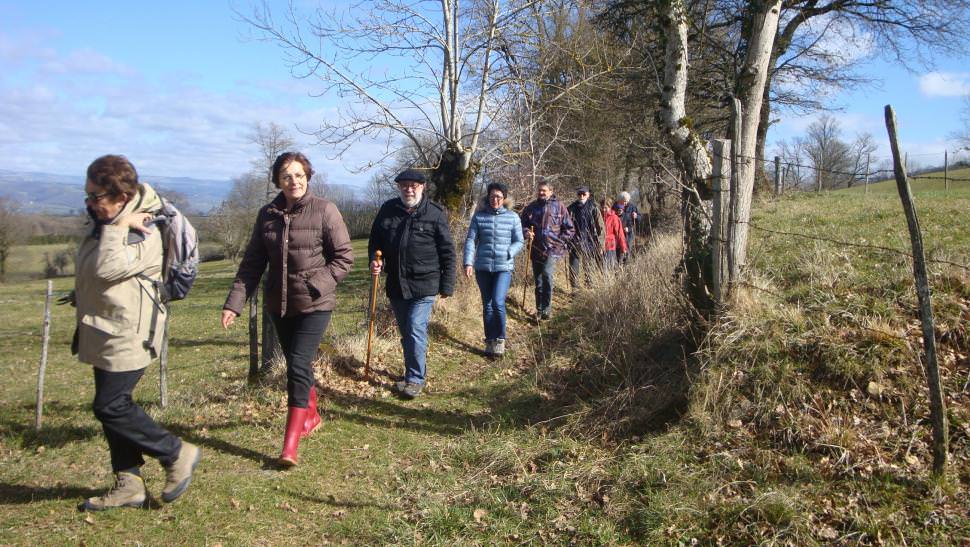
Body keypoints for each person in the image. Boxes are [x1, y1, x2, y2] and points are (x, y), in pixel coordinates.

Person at [72, 155, 201, 511]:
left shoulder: (138, 227)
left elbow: (108, 268)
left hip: (128, 333)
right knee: (114, 407)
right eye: (88, 195)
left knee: (110, 405)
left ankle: (176, 453)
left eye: (96, 195)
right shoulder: (111, 219)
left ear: (122, 194)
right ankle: (128, 483)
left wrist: (118, 227)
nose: (90, 202)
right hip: (104, 327)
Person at [222, 152, 353, 467]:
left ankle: (289, 447)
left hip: (315, 304)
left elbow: (344, 257)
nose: (293, 181)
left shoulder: (325, 210)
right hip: (279, 306)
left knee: (296, 365)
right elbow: (252, 263)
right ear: (277, 181)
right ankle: (311, 416)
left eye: (298, 175)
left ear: (308, 176)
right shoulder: (266, 215)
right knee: (300, 366)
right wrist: (234, 304)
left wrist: (317, 285)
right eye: (286, 176)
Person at [368, 168, 456, 399]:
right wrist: (374, 262)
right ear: (399, 187)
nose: (409, 189)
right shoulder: (388, 210)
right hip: (397, 284)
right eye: (404, 185)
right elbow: (375, 241)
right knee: (407, 331)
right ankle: (411, 373)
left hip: (425, 284)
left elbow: (447, 251)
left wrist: (447, 285)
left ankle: (416, 379)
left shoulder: (435, 213)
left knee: (416, 328)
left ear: (422, 187)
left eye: (413, 185)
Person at [463, 182, 524, 357]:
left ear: (504, 198)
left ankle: (500, 339)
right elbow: (470, 241)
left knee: (498, 302)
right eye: (492, 196)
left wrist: (509, 252)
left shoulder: (512, 217)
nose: (495, 199)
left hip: (503, 267)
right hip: (483, 267)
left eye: (498, 196)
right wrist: (468, 263)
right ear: (487, 197)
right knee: (487, 305)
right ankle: (489, 340)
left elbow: (519, 241)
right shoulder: (479, 217)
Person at [520, 180, 575, 320]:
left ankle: (546, 310)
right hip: (535, 248)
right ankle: (539, 310)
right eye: (539, 190)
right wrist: (526, 232)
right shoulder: (531, 207)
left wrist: (559, 241)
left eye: (544, 190)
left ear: (551, 191)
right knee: (538, 281)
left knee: (547, 277)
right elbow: (522, 225)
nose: (541, 192)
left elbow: (570, 229)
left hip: (552, 250)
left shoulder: (560, 207)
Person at [566, 185, 604, 293]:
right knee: (574, 265)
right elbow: (565, 224)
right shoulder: (571, 208)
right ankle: (575, 288)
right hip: (574, 241)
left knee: (589, 265)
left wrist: (600, 244)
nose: (581, 196)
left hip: (590, 241)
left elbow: (601, 227)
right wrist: (565, 239)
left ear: (588, 195)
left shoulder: (594, 208)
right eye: (579, 194)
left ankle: (589, 286)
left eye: (584, 194)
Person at [600, 197, 627, 270]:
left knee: (608, 267)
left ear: (610, 207)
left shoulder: (614, 218)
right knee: (601, 267)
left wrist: (623, 247)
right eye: (602, 207)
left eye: (606, 208)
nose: (604, 210)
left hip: (610, 245)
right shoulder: (599, 217)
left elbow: (620, 234)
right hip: (599, 246)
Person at [614, 191, 640, 263]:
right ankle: (618, 264)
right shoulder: (614, 206)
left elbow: (640, 218)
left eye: (626, 201)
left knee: (627, 248)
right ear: (619, 200)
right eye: (623, 202)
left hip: (629, 233)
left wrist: (636, 216)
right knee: (618, 249)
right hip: (617, 233)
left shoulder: (632, 206)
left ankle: (626, 265)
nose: (625, 203)